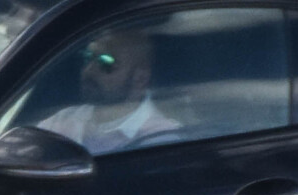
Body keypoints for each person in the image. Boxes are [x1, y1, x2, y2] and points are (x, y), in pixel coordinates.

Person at [29, 25, 186, 156]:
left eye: (106, 63)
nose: (88, 71)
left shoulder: (160, 140)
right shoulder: (63, 120)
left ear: (140, 78)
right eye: (89, 56)